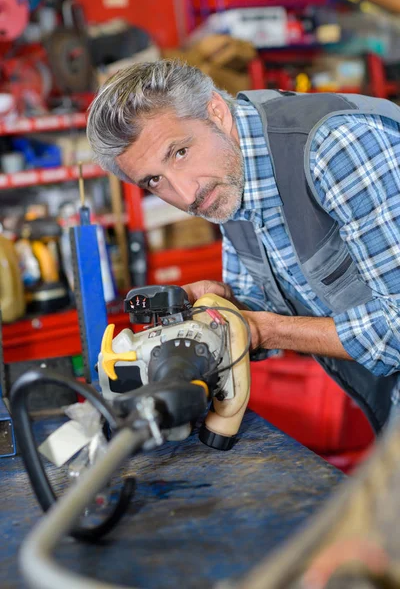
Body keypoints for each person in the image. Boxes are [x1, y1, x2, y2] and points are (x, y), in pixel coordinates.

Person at [87, 59, 400, 433]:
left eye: (180, 152)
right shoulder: (226, 181)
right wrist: (222, 311)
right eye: (155, 180)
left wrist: (263, 329)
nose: (185, 194)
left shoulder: (338, 147)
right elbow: (266, 311)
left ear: (216, 112)